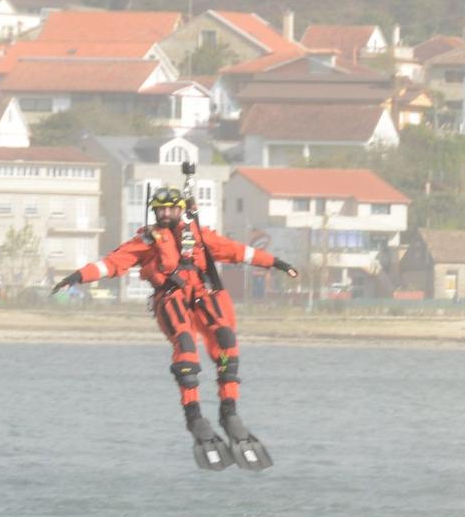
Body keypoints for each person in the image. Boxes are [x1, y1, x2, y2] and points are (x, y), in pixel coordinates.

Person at [51, 178, 299, 454]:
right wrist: (77, 277)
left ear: (180, 209)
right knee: (186, 347)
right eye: (161, 210)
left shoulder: (200, 236)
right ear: (155, 212)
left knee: (226, 341)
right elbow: (112, 264)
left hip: (203, 297)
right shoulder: (146, 241)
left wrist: (277, 263)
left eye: (171, 209)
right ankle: (193, 415)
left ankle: (229, 411)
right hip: (171, 301)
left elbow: (238, 251)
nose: (166, 214)